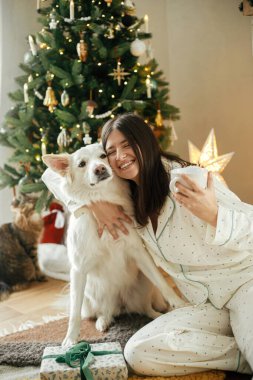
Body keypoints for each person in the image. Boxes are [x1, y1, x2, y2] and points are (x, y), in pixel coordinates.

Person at [87, 113, 253, 377]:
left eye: (128, 144)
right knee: (138, 351)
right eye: (111, 151)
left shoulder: (189, 179)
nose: (120, 156)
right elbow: (58, 176)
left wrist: (214, 215)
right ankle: (240, 356)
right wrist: (92, 204)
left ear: (147, 142)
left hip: (245, 287)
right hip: (207, 305)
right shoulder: (128, 192)